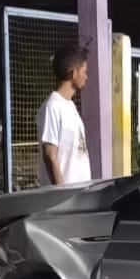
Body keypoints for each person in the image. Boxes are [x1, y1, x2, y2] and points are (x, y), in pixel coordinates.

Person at [36, 43, 92, 186]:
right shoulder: (52, 107)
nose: (86, 77)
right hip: (64, 201)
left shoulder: (70, 106)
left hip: (80, 197)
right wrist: (63, 194)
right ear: (73, 73)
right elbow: (50, 155)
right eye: (84, 71)